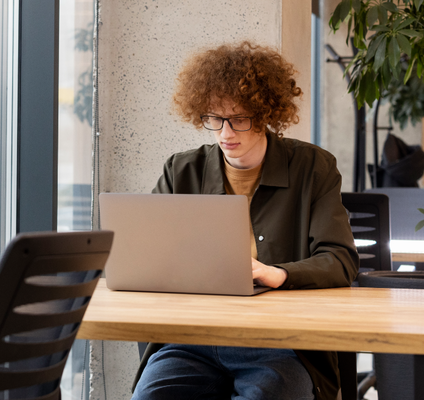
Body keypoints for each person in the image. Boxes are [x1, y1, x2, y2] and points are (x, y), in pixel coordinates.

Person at [131, 42, 359, 400]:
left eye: (239, 119)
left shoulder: (313, 167)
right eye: (214, 118)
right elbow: (147, 256)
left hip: (279, 342)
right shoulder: (182, 170)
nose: (225, 133)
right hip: (192, 340)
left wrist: (278, 274)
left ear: (266, 113)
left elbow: (340, 259)